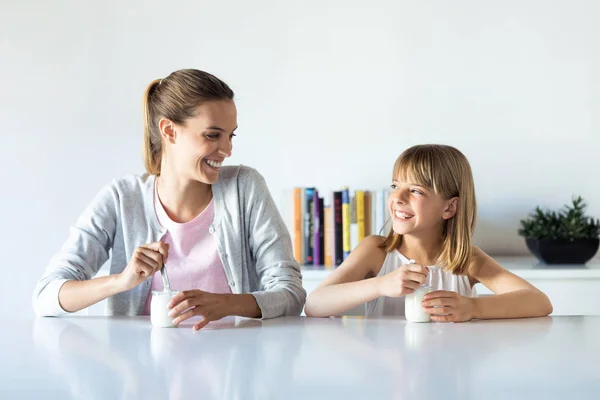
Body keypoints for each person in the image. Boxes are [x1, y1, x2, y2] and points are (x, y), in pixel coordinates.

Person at [33, 68, 305, 330]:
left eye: (230, 135)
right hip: (145, 369)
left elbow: (290, 293)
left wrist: (227, 304)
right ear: (169, 130)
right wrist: (120, 282)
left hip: (233, 368)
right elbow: (46, 296)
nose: (227, 150)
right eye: (213, 135)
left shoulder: (244, 188)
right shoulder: (121, 198)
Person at [304, 144, 552, 321]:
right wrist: (381, 285)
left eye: (416, 191)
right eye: (395, 185)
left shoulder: (464, 261)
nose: (398, 198)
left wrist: (472, 308)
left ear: (449, 207)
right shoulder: (377, 251)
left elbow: (539, 301)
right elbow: (315, 304)